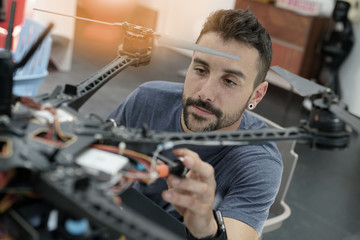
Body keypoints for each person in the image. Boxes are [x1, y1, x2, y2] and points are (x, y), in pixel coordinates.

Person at [108, 8, 282, 240]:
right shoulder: (146, 99)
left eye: (229, 81)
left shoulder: (258, 162)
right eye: (200, 69)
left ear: (256, 95)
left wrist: (207, 229)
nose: (205, 93)